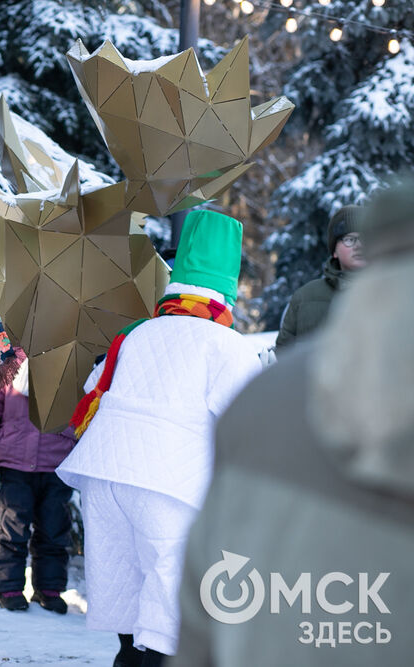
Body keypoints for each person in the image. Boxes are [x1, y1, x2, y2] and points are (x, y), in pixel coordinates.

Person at [174, 179, 414, 666]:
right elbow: (286, 347)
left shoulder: (258, 400)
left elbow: (208, 588)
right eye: (349, 239)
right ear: (334, 248)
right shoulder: (307, 301)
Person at [56, 210, 262, 666]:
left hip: (104, 475)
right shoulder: (226, 345)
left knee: (128, 595)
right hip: (166, 484)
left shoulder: (137, 334)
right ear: (227, 290)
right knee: (172, 604)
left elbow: (93, 394)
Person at [0, 358, 76, 614]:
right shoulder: (12, 364)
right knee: (11, 527)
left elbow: (85, 411)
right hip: (15, 460)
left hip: (57, 460)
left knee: (54, 530)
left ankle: (49, 589)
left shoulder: (72, 362)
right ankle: (9, 588)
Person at [276, 205, 364, 351]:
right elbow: (283, 355)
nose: (359, 246)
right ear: (334, 250)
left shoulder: (398, 292)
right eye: (350, 239)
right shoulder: (305, 297)